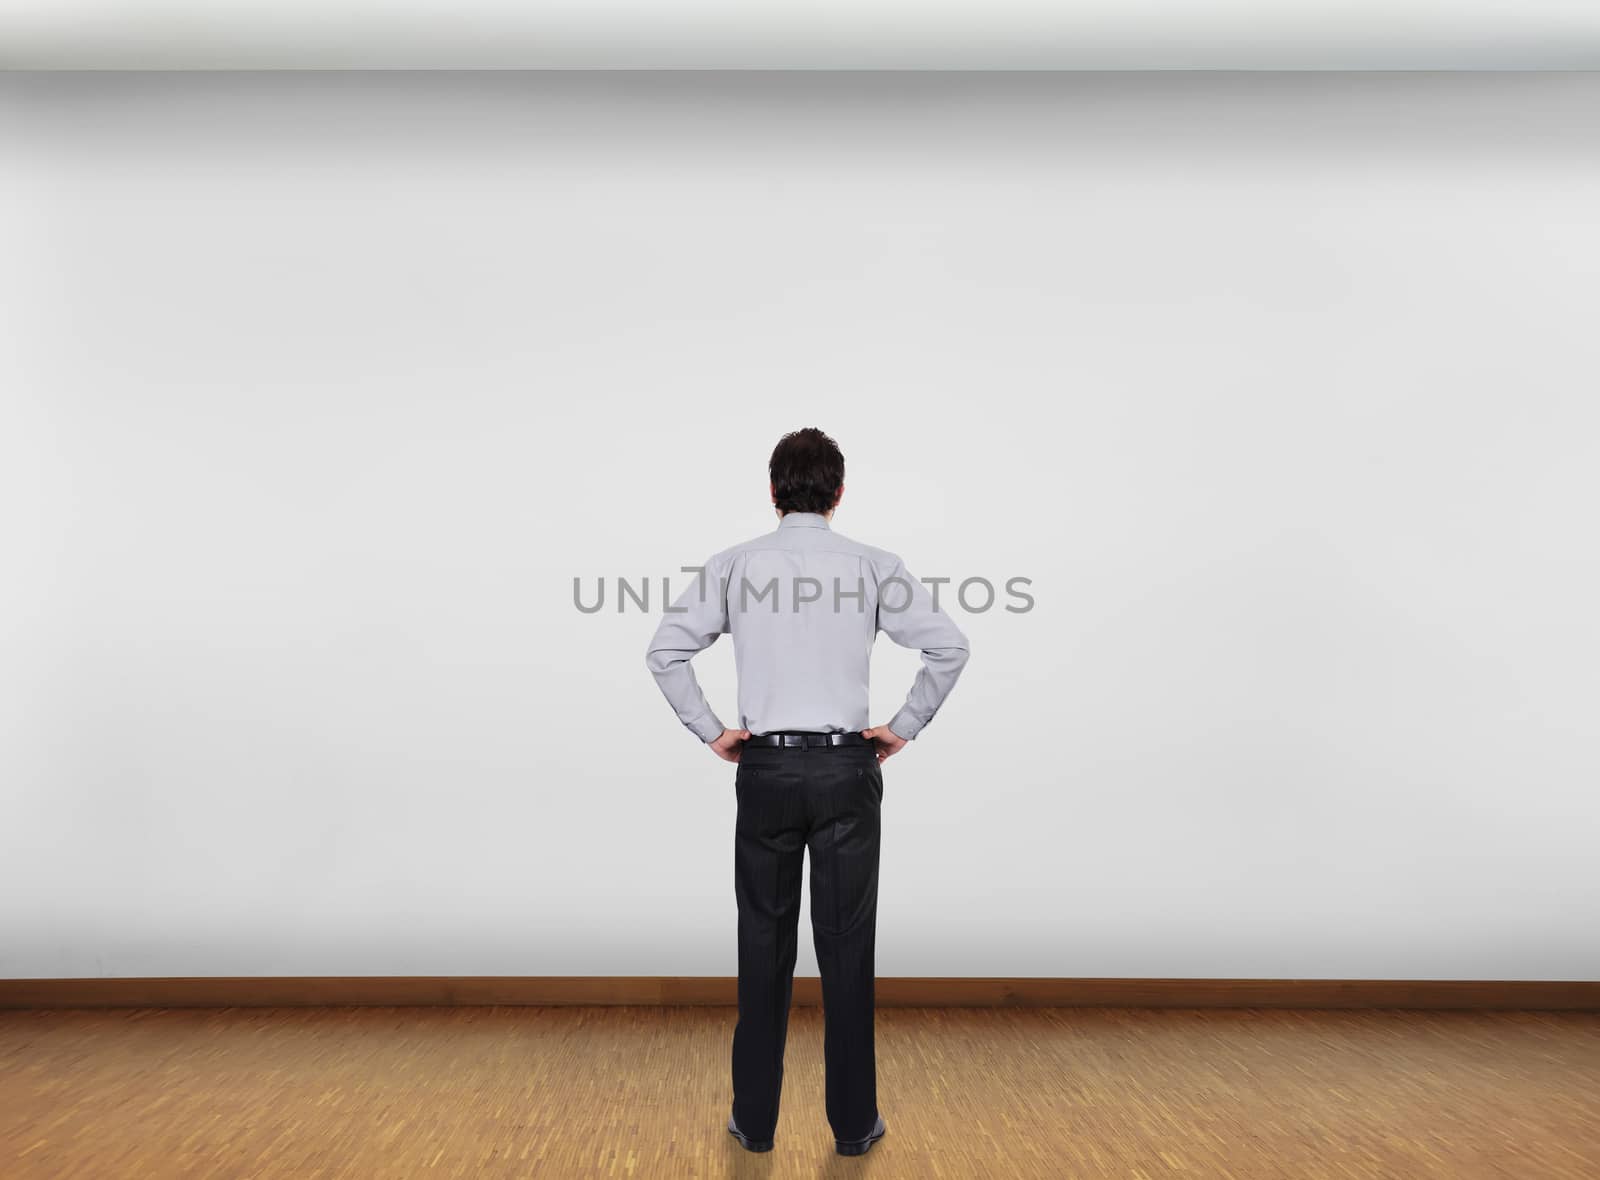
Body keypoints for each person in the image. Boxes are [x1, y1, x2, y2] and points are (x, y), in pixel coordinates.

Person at [644, 427, 971, 1158]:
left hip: (764, 770)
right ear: (839, 493)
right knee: (848, 952)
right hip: (846, 770)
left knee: (763, 948)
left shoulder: (735, 566)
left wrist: (713, 731)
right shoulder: (874, 566)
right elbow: (950, 645)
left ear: (772, 491)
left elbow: (665, 651)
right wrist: (903, 724)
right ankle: (854, 1127)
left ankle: (754, 1124)